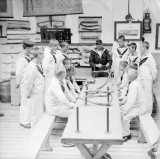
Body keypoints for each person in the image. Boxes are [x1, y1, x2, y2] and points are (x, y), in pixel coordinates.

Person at [121, 69, 147, 142]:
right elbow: (129, 97)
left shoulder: (133, 85)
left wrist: (124, 112)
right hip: (137, 105)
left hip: (140, 108)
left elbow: (131, 102)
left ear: (129, 77)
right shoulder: (134, 82)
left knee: (125, 118)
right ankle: (122, 131)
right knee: (120, 111)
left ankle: (127, 135)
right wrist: (123, 103)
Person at [15, 40, 35, 128]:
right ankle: (23, 121)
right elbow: (19, 72)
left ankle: (27, 119)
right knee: (25, 102)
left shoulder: (27, 57)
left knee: (28, 102)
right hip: (24, 83)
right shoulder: (21, 59)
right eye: (31, 48)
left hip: (28, 83)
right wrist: (17, 82)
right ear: (27, 48)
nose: (32, 49)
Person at [24, 47, 45, 127]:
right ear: (39, 55)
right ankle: (34, 131)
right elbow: (29, 82)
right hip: (35, 93)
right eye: (42, 54)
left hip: (39, 92)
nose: (44, 56)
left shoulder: (38, 65)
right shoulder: (32, 67)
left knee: (39, 112)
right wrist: (28, 93)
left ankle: (39, 130)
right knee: (35, 113)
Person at [139, 41, 157, 114]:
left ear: (144, 48)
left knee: (148, 96)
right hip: (141, 78)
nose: (140, 49)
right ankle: (144, 110)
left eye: (140, 47)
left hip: (147, 79)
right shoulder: (142, 56)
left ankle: (149, 112)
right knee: (143, 95)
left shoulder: (150, 58)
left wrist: (153, 78)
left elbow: (154, 70)